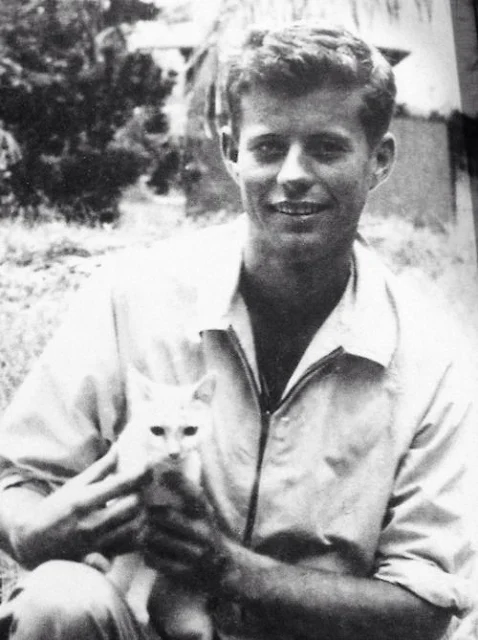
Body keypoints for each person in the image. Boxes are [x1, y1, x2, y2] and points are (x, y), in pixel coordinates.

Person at [0, 21, 476, 640]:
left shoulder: (435, 352)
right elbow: (16, 477)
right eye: (269, 146)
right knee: (59, 602)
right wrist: (30, 531)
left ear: (379, 160)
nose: (294, 173)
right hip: (148, 624)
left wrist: (232, 570)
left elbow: (427, 603)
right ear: (231, 151)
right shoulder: (134, 294)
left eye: (328, 148)